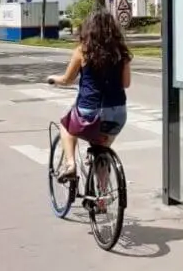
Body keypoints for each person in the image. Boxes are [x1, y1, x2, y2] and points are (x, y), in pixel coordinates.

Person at [47, 9, 132, 178]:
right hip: (118, 114)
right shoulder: (121, 52)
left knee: (66, 125)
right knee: (102, 149)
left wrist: (53, 79)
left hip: (90, 112)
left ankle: (70, 165)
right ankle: (103, 191)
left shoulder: (83, 50)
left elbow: (67, 80)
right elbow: (126, 84)